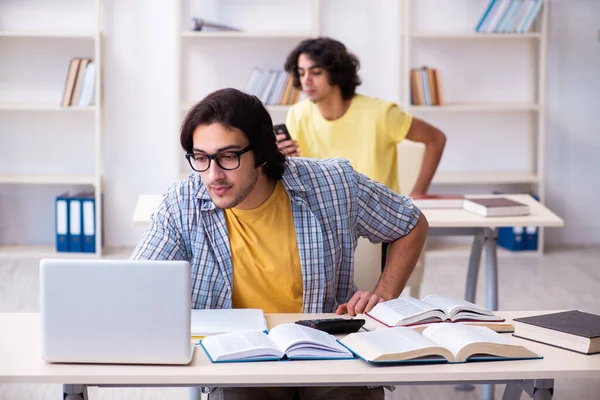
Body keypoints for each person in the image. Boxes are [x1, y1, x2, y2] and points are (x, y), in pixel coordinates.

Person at [132, 88, 428, 400]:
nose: (212, 175)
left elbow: (410, 223)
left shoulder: (334, 183)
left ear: (260, 153)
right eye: (201, 158)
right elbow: (138, 281)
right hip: (239, 356)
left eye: (228, 157)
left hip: (327, 348)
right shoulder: (182, 201)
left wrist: (384, 293)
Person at [279, 36, 446, 197]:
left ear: (336, 73)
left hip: (379, 217)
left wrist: (417, 195)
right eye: (301, 73)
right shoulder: (297, 114)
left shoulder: (382, 113)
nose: (306, 80)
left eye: (315, 72)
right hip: (325, 215)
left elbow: (436, 139)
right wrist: (282, 159)